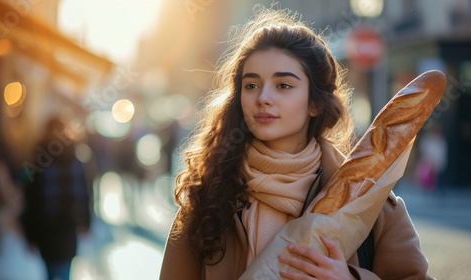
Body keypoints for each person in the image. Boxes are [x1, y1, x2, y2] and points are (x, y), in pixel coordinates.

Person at [160, 6, 433, 280]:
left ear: (315, 103)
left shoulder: (372, 204)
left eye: (283, 86)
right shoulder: (207, 198)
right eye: (251, 85)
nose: (263, 97)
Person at [23, 116, 91, 280]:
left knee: (51, 271)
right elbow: (85, 192)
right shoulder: (76, 156)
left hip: (47, 227)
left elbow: (31, 198)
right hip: (67, 226)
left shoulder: (39, 157)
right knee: (64, 271)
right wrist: (86, 222)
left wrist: (30, 234)